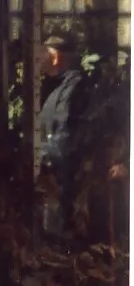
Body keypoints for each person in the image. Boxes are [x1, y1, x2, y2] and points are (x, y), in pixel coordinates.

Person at [36, 32, 92, 237]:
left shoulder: (74, 86)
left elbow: (64, 133)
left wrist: (43, 158)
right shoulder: (56, 87)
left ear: (55, 57)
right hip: (52, 174)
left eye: (43, 54)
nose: (40, 60)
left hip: (62, 177)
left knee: (58, 235)